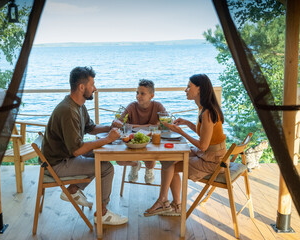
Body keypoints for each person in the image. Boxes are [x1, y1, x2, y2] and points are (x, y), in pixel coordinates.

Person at [41, 66, 128, 225]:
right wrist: (108, 139)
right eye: (92, 84)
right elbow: (77, 150)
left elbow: (91, 128)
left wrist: (111, 127)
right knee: (106, 167)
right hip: (57, 164)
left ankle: (73, 190)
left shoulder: (78, 105)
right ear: (82, 87)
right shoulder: (68, 111)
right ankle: (102, 214)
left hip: (64, 156)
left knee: (99, 154)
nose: (95, 88)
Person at [144, 74, 226, 216]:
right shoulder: (204, 108)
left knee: (170, 165)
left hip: (213, 160)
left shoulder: (207, 112)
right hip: (211, 154)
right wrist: (187, 123)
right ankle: (173, 205)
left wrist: (181, 131)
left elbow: (203, 145)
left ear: (199, 89)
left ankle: (165, 203)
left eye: (189, 86)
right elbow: (206, 135)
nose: (185, 90)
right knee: (169, 161)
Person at [113, 79, 166, 184]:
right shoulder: (132, 106)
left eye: (142, 93)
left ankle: (149, 170)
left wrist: (135, 126)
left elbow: (165, 125)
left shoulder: (158, 106)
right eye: (137, 93)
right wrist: (151, 126)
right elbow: (121, 122)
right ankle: (134, 164)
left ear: (151, 96)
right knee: (119, 160)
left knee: (150, 160)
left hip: (150, 143)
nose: (138, 96)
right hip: (132, 144)